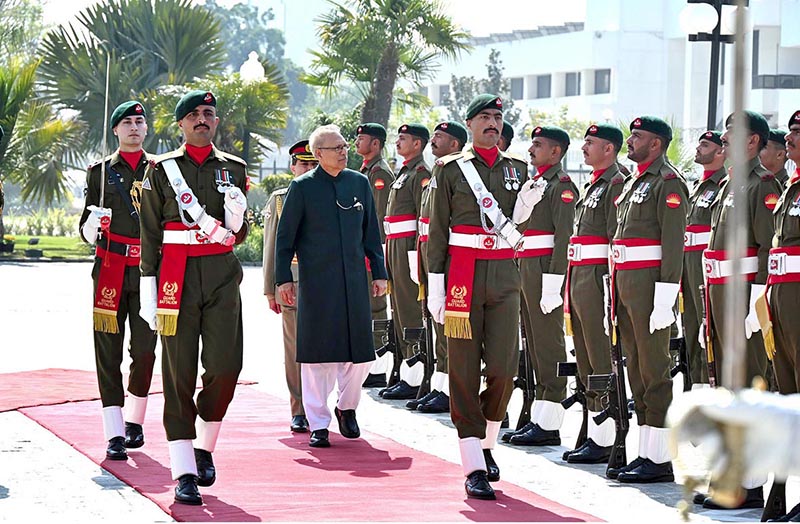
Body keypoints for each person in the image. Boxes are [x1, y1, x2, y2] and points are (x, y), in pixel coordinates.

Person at [139, 90, 249, 505]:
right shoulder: (162, 170)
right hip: (175, 277)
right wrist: (148, 290)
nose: (203, 119)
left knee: (225, 367)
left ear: (216, 122)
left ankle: (205, 443)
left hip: (221, 273)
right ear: (181, 124)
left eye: (209, 114)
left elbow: (238, 234)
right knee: (178, 372)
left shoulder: (234, 168)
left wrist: (238, 220)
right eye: (195, 115)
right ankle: (184, 467)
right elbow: (150, 233)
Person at [427, 94, 530, 500]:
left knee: (505, 367)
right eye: (485, 117)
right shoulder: (450, 170)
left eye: (498, 118)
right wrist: (435, 286)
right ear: (469, 125)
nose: (492, 123)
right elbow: (437, 231)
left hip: (505, 274)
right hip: (462, 277)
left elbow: (521, 226)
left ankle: (487, 440)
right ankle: (472, 462)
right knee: (464, 371)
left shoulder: (517, 169)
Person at [274, 124, 388, 449]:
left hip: (354, 281)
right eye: (336, 147)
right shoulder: (302, 188)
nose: (343, 150)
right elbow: (285, 240)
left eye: (344, 145)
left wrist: (379, 272)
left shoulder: (359, 183)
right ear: (318, 154)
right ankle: (318, 423)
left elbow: (371, 233)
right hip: (317, 282)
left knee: (361, 354)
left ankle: (346, 407)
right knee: (317, 357)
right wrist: (282, 278)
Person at [698, 110, 784, 509]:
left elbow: (769, 247)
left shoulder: (761, 184)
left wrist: (758, 299)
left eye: (733, 134)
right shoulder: (732, 183)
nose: (725, 139)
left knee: (748, 385)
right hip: (721, 295)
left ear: (753, 142)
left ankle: (747, 482)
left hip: (743, 296)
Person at [608, 116, 688, 484]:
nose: (630, 140)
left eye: (636, 136)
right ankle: (645, 451)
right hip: (627, 287)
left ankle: (659, 458)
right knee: (637, 370)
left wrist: (665, 297)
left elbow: (672, 245)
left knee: (655, 372)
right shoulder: (635, 181)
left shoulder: (668, 182)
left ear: (656, 144)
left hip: (650, 290)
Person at [78, 101, 157, 462]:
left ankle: (135, 420)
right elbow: (84, 227)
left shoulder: (160, 169)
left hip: (147, 271)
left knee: (144, 349)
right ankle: (113, 432)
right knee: (107, 351)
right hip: (109, 266)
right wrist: (91, 226)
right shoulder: (99, 172)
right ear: (115, 130)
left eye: (140, 121)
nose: (135, 127)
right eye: (127, 122)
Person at [560, 124, 626, 463]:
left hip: (599, 279)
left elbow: (617, 240)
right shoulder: (594, 184)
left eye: (591, 143)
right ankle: (591, 430)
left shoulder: (617, 183)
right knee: (585, 358)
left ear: (609, 149)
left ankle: (604, 438)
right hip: (582, 278)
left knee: (601, 358)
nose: (583, 148)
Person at [509, 125, 578, 447]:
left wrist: (553, 283)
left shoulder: (561, 186)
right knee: (533, 343)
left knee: (549, 343)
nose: (531, 149)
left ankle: (550, 420)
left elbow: (563, 238)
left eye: (538, 144)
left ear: (556, 151)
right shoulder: (535, 183)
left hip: (542, 270)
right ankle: (537, 415)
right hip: (525, 266)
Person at [407, 121, 467, 414]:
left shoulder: (452, 175)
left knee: (447, 329)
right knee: (437, 326)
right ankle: (440, 385)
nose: (433, 141)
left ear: (455, 144)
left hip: (448, 259)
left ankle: (448, 389)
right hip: (429, 254)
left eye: (439, 137)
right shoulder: (436, 174)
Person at [262, 140, 318, 434]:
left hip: (325, 282)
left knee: (327, 349)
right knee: (296, 348)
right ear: (292, 167)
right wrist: (270, 288)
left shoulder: (329, 193)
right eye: (303, 164)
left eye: (313, 164)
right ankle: (299, 409)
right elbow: (271, 245)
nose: (308, 169)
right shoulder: (281, 199)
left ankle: (320, 406)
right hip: (292, 283)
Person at [761, 108, 800, 521]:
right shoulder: (790, 188)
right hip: (782, 302)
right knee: (788, 398)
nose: (790, 138)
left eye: (798, 133)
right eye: (788, 132)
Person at [380, 123, 430, 400]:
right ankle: (404, 369)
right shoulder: (405, 172)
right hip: (394, 245)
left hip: (408, 247)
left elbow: (422, 218)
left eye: (404, 139)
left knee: (410, 309)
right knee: (397, 308)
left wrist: (414, 256)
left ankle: (414, 374)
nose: (397, 143)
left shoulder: (421, 174)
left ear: (417, 144)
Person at [682, 130, 726, 387]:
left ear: (721, 152)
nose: (698, 148)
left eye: (705, 144)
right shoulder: (698, 186)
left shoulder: (721, 186)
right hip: (688, 265)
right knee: (690, 326)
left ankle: (705, 383)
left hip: (704, 266)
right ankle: (694, 384)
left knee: (704, 326)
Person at [354, 123, 395, 388]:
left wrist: (373, 253)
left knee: (377, 308)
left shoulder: (379, 173)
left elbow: (377, 218)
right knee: (367, 308)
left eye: (362, 138)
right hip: (363, 248)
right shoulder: (366, 170)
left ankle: (378, 367)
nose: (356, 142)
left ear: (376, 144)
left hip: (373, 249)